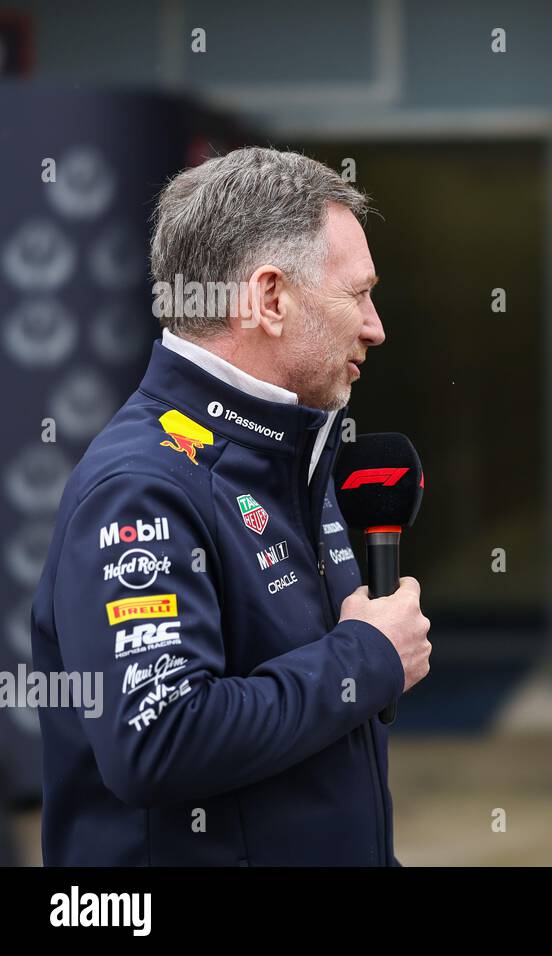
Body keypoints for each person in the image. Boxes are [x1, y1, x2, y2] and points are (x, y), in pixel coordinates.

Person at [30, 147, 431, 865]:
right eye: (358, 294)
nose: (375, 327)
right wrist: (368, 657)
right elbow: (159, 739)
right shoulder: (141, 484)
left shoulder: (290, 451)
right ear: (270, 299)